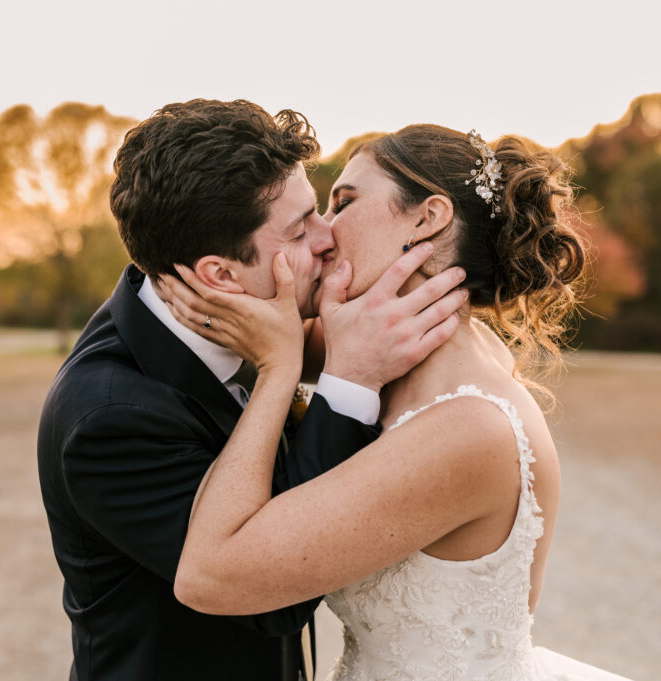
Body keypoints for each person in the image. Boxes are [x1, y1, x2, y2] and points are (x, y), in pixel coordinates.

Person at [161, 124, 634, 680]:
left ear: (427, 218)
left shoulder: (467, 430)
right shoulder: (411, 343)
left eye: (344, 203)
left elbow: (208, 576)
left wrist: (279, 371)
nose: (324, 232)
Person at [36, 101, 467, 681]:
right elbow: (274, 596)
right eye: (299, 230)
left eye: (319, 211)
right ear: (217, 276)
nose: (327, 239)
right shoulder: (110, 419)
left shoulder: (195, 311)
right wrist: (341, 379)